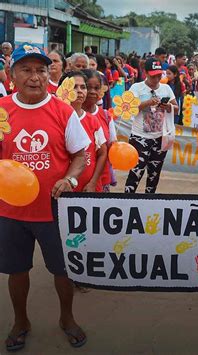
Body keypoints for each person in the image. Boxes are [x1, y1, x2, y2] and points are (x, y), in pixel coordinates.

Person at [0, 43, 89, 351]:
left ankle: (67, 318)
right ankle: (20, 321)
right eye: (26, 69)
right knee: (16, 270)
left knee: (63, 270)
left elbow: (81, 153)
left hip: (55, 209)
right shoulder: (1, 111)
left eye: (41, 69)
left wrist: (70, 177)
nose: (35, 77)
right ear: (12, 75)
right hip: (11, 211)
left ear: (49, 74)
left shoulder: (62, 111)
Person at [124, 58, 178, 193]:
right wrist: (147, 103)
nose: (157, 79)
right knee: (136, 171)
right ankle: (127, 199)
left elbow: (176, 108)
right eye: (154, 76)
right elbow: (130, 108)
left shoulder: (166, 88)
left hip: (160, 137)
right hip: (140, 137)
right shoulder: (136, 88)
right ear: (145, 73)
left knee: (154, 174)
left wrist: (168, 106)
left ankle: (150, 200)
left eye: (160, 75)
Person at [59, 71, 107, 192]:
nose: (79, 90)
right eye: (74, 86)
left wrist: (93, 182)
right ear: (63, 89)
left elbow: (102, 153)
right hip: (61, 188)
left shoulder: (93, 121)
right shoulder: (56, 119)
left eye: (83, 87)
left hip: (87, 188)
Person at [82, 69, 117, 192]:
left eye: (96, 88)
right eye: (88, 87)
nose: (92, 92)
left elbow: (111, 148)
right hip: (76, 179)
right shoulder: (70, 115)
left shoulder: (106, 116)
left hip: (102, 180)